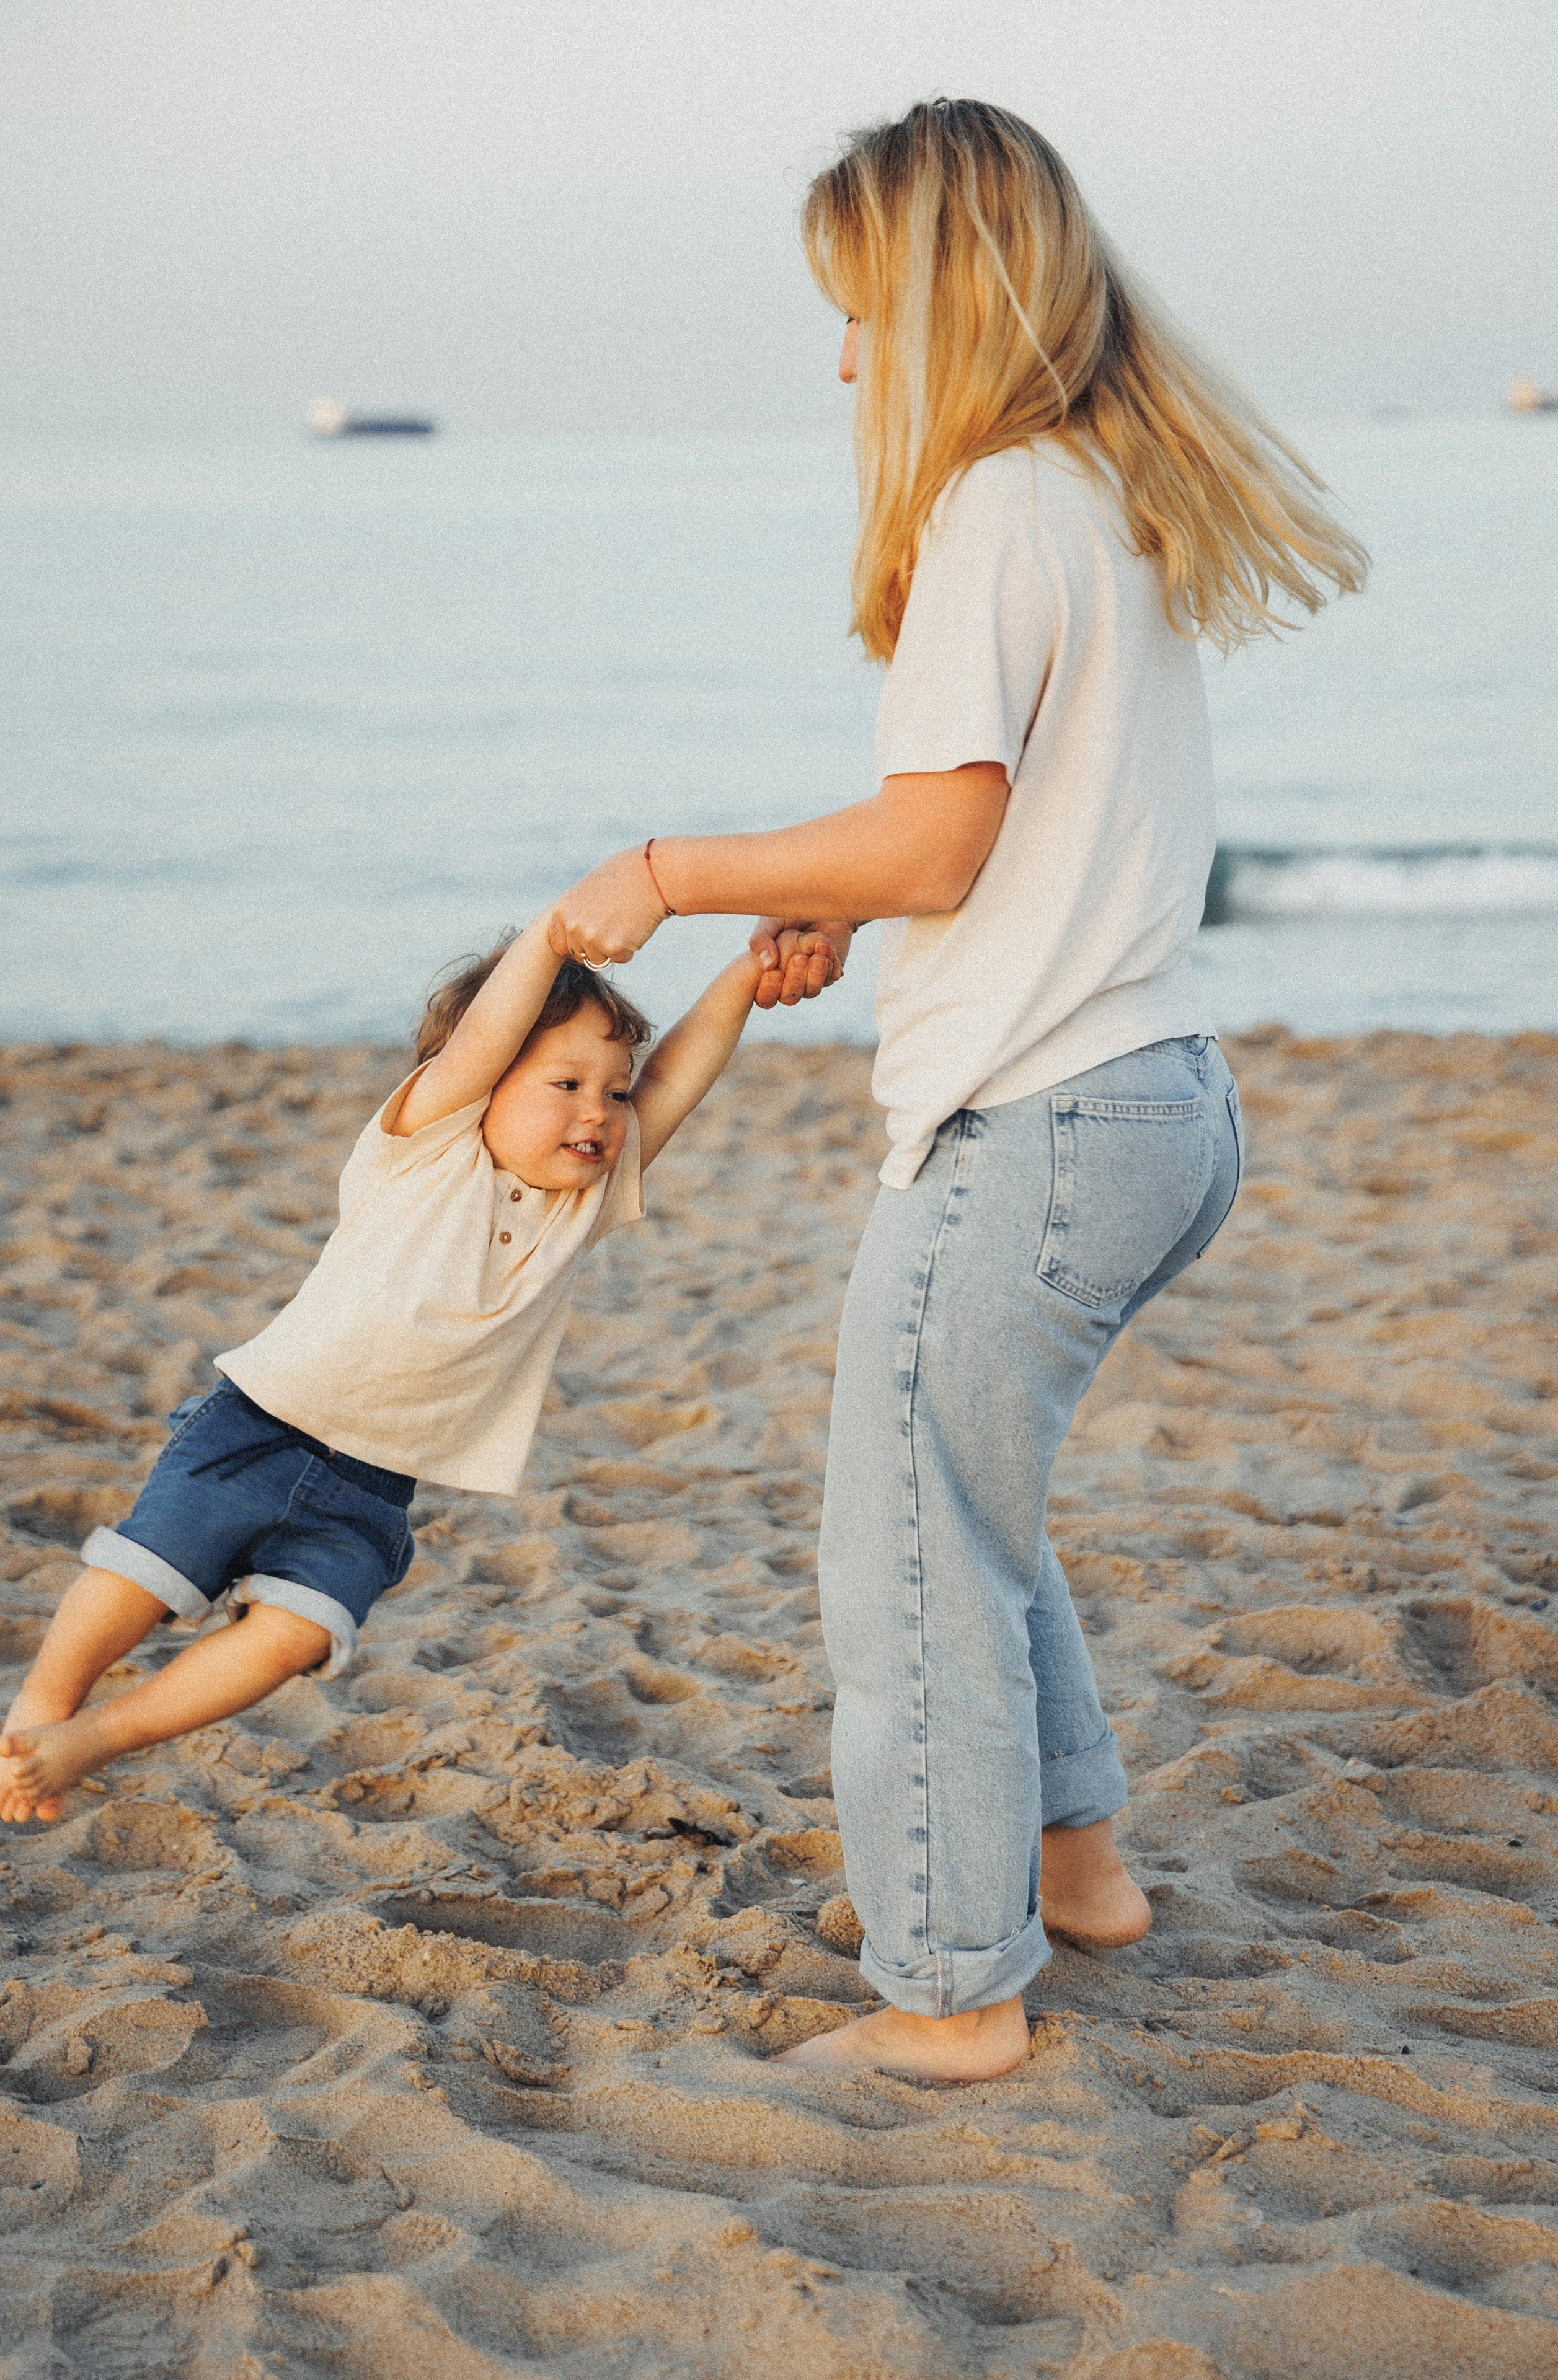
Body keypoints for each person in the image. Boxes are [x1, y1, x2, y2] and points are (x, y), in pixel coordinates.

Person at [546, 99, 1368, 2081]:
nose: (842, 360)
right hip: (1158, 1094)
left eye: (856, 314)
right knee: (968, 1515)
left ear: (932, 302)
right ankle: (1076, 1871)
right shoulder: (1104, 492)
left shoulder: (999, 505)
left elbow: (938, 841)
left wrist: (673, 873)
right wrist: (854, 914)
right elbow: (1010, 842)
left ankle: (950, 2001)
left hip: (1040, 1126)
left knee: (904, 1562)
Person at [0, 917, 764, 1825]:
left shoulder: (581, 1209)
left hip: (371, 1490)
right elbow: (480, 1039)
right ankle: (42, 1706)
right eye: (566, 1083)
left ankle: (94, 1740)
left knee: (296, 1638)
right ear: (486, 1082)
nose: (598, 1110)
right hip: (261, 1427)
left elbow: (675, 1078)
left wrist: (751, 969)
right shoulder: (428, 1146)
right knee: (145, 1572)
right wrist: (556, 934)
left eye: (612, 1092)